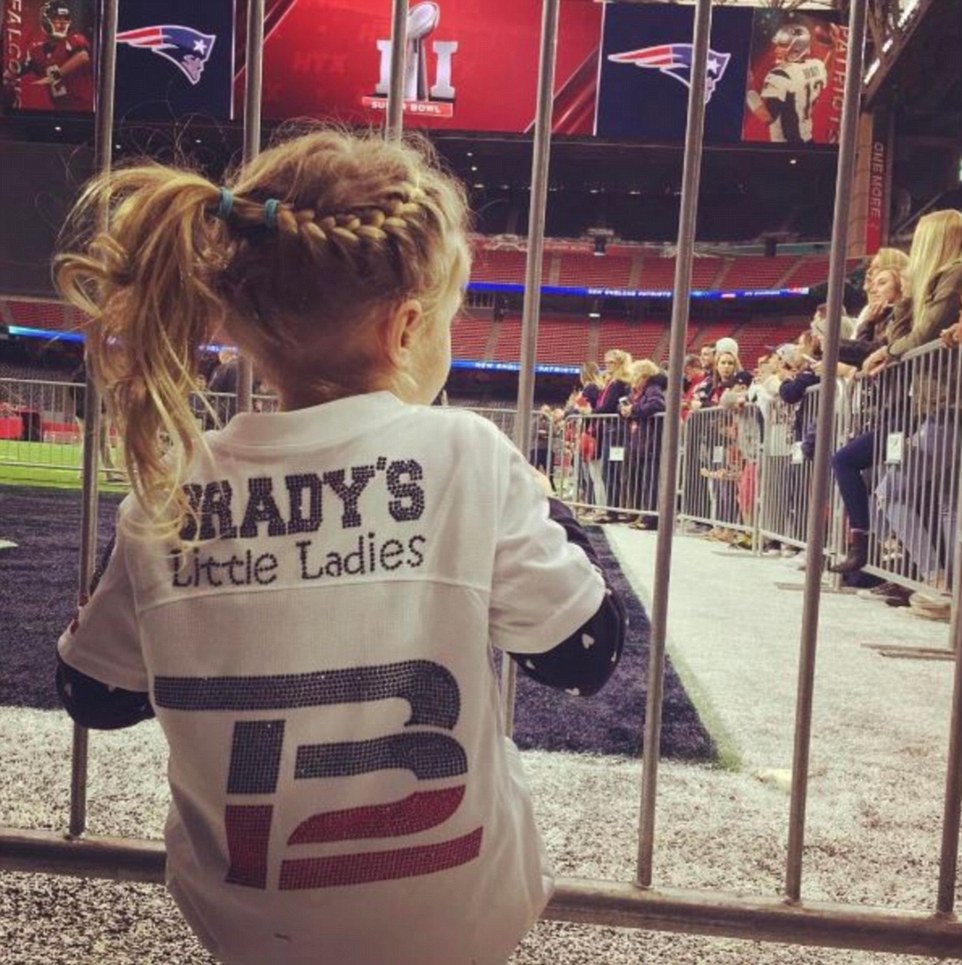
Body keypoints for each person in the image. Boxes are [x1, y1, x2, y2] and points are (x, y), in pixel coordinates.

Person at [52, 129, 626, 965]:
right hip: (454, 930)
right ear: (406, 327)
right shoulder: (465, 452)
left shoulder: (170, 489)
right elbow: (584, 649)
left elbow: (94, 694)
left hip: (251, 931)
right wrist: (544, 506)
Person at [831, 209, 962, 576]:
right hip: (929, 404)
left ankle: (934, 580)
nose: (873, 284)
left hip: (932, 404)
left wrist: (884, 349)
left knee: (894, 492)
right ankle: (937, 583)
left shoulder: (950, 275)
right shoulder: (938, 281)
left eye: (881, 278)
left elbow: (922, 332)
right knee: (942, 501)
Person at [745, 21, 839, 145]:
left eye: (782, 45)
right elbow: (825, 69)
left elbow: (767, 117)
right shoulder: (816, 65)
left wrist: (748, 89)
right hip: (808, 141)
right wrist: (834, 47)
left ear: (797, 49)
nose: (776, 49)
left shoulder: (779, 75)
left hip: (786, 146)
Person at [1, 2, 93, 112]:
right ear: (46, 22)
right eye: (58, 19)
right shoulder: (37, 51)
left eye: (65, 19)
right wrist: (9, 77)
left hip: (84, 111)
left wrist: (57, 74)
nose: (63, 24)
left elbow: (83, 56)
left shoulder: (74, 40)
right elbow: (14, 71)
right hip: (60, 111)